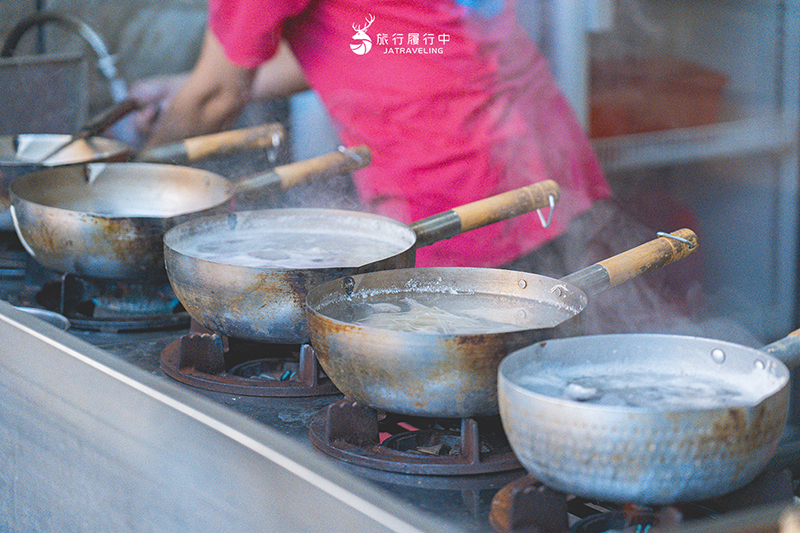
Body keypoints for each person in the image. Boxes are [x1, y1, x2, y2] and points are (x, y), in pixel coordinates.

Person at [132, 0, 612, 271]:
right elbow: (374, 34)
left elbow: (216, 95)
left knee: (436, 424)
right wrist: (186, 87)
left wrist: (134, 182)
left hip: (453, 198)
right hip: (547, 162)